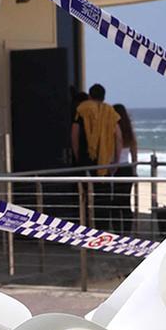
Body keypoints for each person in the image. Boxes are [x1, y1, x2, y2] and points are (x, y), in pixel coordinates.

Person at [73, 84, 121, 227]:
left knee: (83, 198)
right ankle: (102, 229)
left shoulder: (82, 109)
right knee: (102, 199)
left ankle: (85, 228)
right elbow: (118, 137)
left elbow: (74, 134)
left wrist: (77, 156)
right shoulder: (110, 111)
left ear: (89, 95)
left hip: (85, 159)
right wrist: (116, 161)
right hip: (104, 161)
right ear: (104, 97)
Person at [110, 104, 139, 233]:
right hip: (127, 168)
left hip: (116, 168)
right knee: (126, 202)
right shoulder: (129, 131)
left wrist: (114, 164)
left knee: (115, 203)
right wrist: (134, 170)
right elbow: (134, 152)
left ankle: (118, 232)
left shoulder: (113, 129)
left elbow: (117, 146)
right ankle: (127, 231)